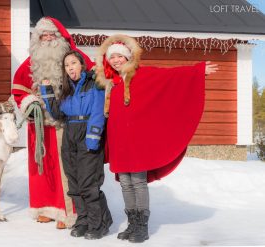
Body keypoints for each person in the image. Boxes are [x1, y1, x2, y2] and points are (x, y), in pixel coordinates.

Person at [94, 34, 218, 243]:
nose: (115, 60)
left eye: (119, 56)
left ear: (127, 57)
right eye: (111, 57)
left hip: (137, 140)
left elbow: (170, 76)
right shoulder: (111, 83)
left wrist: (197, 71)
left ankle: (141, 226)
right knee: (125, 182)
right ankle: (132, 223)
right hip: (119, 140)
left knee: (138, 181)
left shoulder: (142, 74)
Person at [11, 17, 94, 229]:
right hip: (39, 125)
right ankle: (45, 208)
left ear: (60, 38)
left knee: (65, 168)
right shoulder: (30, 64)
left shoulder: (74, 58)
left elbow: (93, 78)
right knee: (43, 167)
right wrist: (30, 104)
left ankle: (67, 211)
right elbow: (19, 90)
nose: (47, 40)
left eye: (51, 35)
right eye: (43, 36)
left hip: (66, 124)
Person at [40, 50, 113, 239]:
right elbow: (57, 114)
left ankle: (99, 223)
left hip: (87, 132)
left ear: (81, 64)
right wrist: (47, 91)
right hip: (70, 134)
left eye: (73, 63)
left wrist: (93, 137)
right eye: (66, 65)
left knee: (89, 182)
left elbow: (98, 111)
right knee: (74, 182)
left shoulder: (94, 83)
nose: (70, 67)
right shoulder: (67, 89)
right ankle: (83, 221)